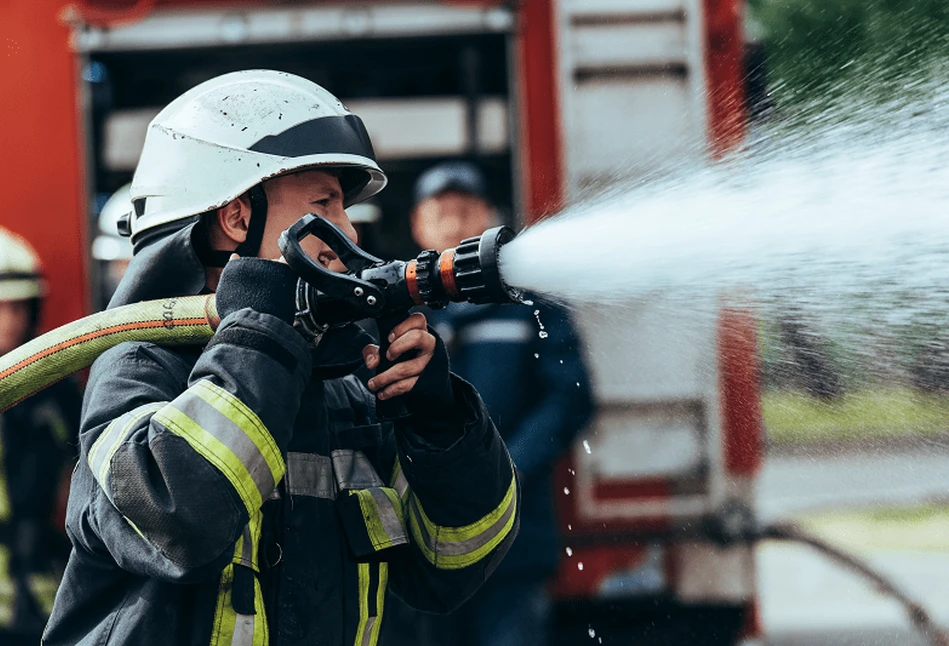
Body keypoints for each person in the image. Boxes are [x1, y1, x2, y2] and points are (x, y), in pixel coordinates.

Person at [43, 70, 519, 646]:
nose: (346, 231)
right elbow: (176, 521)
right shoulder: (142, 366)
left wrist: (440, 429)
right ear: (238, 217)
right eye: (325, 204)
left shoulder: (344, 390)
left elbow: (453, 566)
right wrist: (263, 330)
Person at [383, 162, 593, 646]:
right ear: (418, 224)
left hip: (515, 542)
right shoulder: (396, 310)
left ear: (490, 219)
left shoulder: (532, 307)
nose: (454, 225)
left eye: (466, 211)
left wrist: (503, 470)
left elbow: (570, 399)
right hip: (421, 546)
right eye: (441, 212)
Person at [0, 227, 80, 645]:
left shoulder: (57, 393)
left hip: (50, 599)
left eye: (19, 308)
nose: (9, 323)